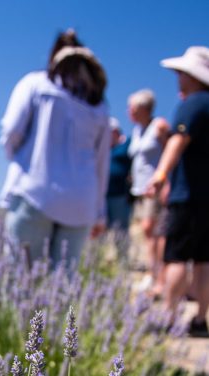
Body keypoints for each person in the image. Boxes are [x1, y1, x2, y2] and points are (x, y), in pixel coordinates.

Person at [0, 30, 110, 269]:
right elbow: (102, 162)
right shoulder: (99, 105)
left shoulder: (35, 84)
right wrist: (99, 211)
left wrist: (22, 160)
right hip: (81, 202)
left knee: (20, 276)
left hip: (35, 191)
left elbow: (10, 132)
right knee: (63, 282)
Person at [147, 46, 209, 337]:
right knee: (203, 260)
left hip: (188, 195)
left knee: (175, 257)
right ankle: (200, 319)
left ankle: (169, 317)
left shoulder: (193, 103)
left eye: (181, 73)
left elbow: (177, 141)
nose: (177, 78)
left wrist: (160, 175)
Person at [127, 89, 170, 295]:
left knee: (154, 231)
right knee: (147, 232)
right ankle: (153, 274)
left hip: (156, 187)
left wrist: (166, 181)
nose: (129, 111)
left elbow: (171, 152)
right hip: (140, 189)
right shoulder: (137, 130)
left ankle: (160, 278)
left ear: (144, 108)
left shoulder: (159, 126)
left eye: (132, 107)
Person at [106, 117, 133, 259]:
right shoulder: (105, 149)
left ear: (115, 131)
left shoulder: (125, 145)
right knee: (102, 230)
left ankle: (123, 260)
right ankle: (99, 260)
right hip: (103, 196)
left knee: (121, 230)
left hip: (120, 195)